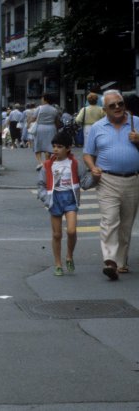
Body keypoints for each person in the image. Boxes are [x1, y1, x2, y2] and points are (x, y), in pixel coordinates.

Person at [82, 89, 139, 281]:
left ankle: (121, 262)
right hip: (107, 179)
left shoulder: (137, 123)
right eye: (112, 105)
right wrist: (92, 167)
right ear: (104, 109)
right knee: (109, 220)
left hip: (133, 179)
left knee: (126, 223)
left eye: (120, 104)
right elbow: (88, 153)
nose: (117, 108)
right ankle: (109, 261)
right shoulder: (98, 127)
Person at [37, 130, 80, 276]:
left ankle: (69, 256)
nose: (55, 149)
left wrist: (95, 176)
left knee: (71, 231)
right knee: (56, 234)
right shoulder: (48, 165)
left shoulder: (73, 163)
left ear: (68, 148)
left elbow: (83, 180)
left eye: (59, 146)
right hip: (55, 199)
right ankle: (58, 263)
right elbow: (41, 184)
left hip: (70, 199)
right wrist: (45, 198)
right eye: (54, 146)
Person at [33, 94, 60, 170]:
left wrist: (28, 123)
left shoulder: (39, 108)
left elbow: (33, 118)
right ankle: (47, 162)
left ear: (45, 99)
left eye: (42, 98)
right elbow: (57, 121)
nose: (41, 100)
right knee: (48, 146)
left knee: (38, 145)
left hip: (40, 128)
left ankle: (40, 162)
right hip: (51, 128)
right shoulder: (54, 109)